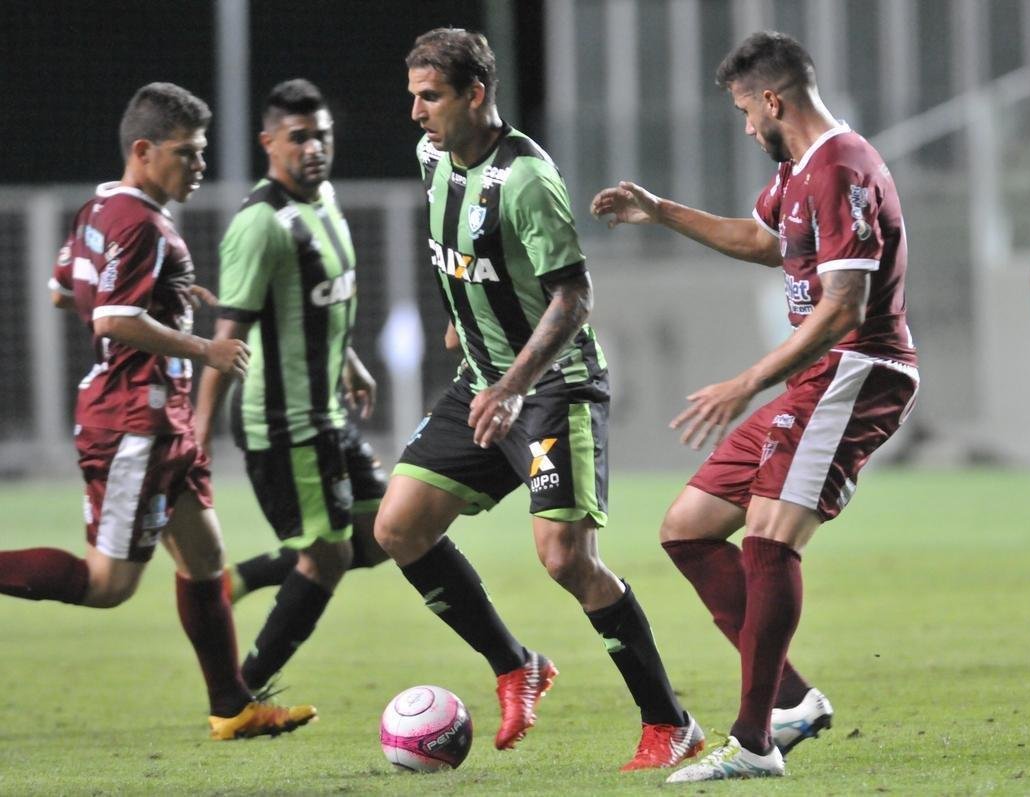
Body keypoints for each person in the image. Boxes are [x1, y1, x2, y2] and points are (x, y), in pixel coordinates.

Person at [373, 27, 704, 772]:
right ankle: (515, 663)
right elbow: (464, 262)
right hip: (485, 383)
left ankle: (670, 722)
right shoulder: (431, 158)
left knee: (566, 558)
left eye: (431, 97)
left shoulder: (525, 179)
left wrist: (515, 383)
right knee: (398, 526)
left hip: (552, 387)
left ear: (476, 94)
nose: (417, 112)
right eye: (413, 96)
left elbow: (573, 296)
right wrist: (470, 331)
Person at [591, 31, 919, 782]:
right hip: (816, 376)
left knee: (769, 541)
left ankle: (752, 740)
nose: (745, 127)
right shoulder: (801, 171)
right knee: (689, 529)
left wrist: (746, 381)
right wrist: (660, 210)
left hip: (856, 368)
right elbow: (763, 238)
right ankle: (793, 702)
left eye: (745, 110)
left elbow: (845, 307)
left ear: (773, 100)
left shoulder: (841, 166)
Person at [0, 82, 315, 740]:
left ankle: (231, 706)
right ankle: (231, 702)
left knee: (204, 559)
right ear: (144, 151)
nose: (199, 166)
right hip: (133, 419)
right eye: (189, 153)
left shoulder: (100, 209)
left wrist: (169, 296)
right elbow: (114, 317)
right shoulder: (139, 221)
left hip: (156, 418)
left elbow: (69, 293)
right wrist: (204, 345)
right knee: (109, 582)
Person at [195, 79, 389, 691]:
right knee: (327, 557)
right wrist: (196, 442)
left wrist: (348, 359)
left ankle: (238, 581)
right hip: (283, 424)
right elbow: (226, 344)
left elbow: (310, 306)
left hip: (327, 409)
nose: (314, 148)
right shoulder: (260, 225)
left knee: (386, 531)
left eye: (322, 135)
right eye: (299, 137)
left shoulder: (324, 199)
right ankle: (242, 692)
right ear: (268, 142)